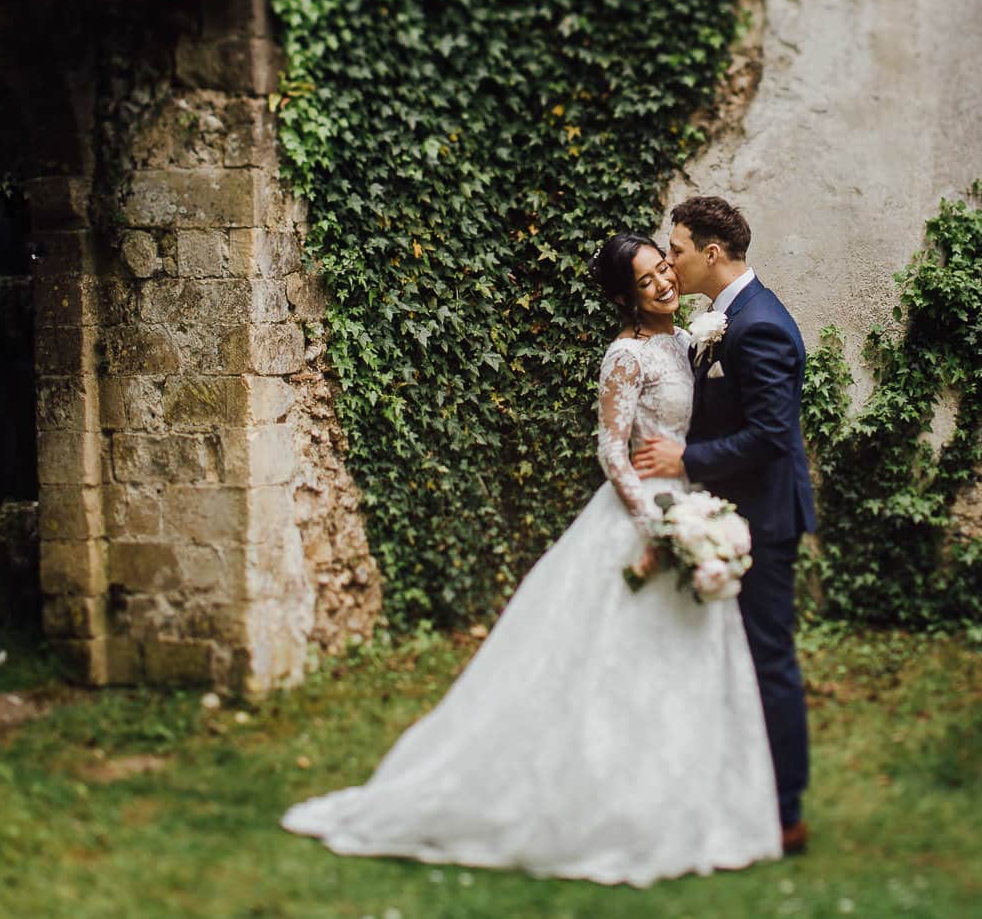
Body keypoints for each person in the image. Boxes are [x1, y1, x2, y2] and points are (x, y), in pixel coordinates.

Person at [281, 233, 782, 886]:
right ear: (625, 295)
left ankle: (684, 797)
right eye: (645, 278)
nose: (661, 281)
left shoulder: (686, 340)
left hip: (690, 501)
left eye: (663, 267)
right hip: (645, 515)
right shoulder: (625, 354)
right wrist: (654, 527)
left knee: (685, 655)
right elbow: (610, 448)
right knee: (608, 662)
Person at [633, 195, 815, 855]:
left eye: (677, 247)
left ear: (712, 252)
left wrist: (688, 457)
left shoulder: (758, 324)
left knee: (769, 659)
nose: (671, 258)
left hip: (762, 517)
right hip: (733, 510)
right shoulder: (724, 317)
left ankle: (786, 810)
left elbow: (770, 434)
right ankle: (741, 786)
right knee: (737, 657)